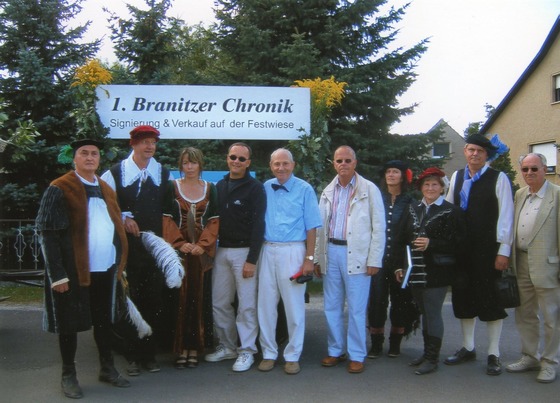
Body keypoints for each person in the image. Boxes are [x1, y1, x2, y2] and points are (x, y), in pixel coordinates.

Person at [37, 139, 130, 399]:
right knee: (69, 323)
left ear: (99, 159)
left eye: (94, 154)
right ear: (74, 159)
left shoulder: (105, 188)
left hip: (105, 268)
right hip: (73, 270)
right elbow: (47, 233)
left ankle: (107, 369)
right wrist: (57, 275)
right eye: (84, 153)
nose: (90, 158)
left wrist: (118, 262)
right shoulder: (60, 187)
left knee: (103, 321)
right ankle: (68, 374)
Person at [101, 125, 172, 376]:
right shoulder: (115, 172)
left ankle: (149, 354)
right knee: (128, 300)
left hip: (152, 248)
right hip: (126, 249)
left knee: (153, 298)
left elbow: (168, 208)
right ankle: (131, 355)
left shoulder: (163, 173)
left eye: (153, 142)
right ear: (133, 144)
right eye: (144, 142)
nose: (150, 146)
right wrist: (122, 217)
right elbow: (103, 204)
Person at [444, 133, 513, 376]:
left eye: (480, 151)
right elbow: (449, 210)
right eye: (471, 149)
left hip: (488, 250)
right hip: (462, 250)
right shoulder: (457, 176)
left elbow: (506, 217)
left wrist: (503, 251)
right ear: (465, 151)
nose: (474, 154)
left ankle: (494, 353)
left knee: (490, 299)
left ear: (486, 155)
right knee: (463, 298)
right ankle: (468, 346)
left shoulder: (498, 178)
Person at [316, 145, 386, 374]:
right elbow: (319, 229)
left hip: (357, 254)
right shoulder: (328, 191)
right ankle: (335, 350)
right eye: (339, 161)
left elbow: (379, 227)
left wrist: (374, 258)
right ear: (333, 164)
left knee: (356, 308)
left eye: (347, 160)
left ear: (355, 163)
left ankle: (357, 354)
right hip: (332, 251)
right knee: (332, 306)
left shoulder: (369, 189)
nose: (343, 164)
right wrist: (317, 257)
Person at [257, 148, 322, 375]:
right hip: (268, 250)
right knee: (265, 306)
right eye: (277, 164)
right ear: (271, 166)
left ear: (293, 165)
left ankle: (293, 355)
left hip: (294, 250)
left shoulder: (304, 189)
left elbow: (312, 226)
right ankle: (268, 353)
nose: (281, 168)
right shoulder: (265, 187)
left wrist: (309, 259)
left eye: (285, 163)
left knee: (294, 308)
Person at [395, 167, 465, 375]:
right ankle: (427, 354)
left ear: (442, 188)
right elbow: (401, 239)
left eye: (435, 184)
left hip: (438, 271)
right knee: (425, 313)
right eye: (426, 184)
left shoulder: (452, 211)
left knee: (433, 313)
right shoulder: (413, 208)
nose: (430, 188)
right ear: (421, 188)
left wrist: (431, 243)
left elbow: (460, 243)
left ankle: (432, 359)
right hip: (415, 270)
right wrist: (399, 265)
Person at [205, 142, 266, 372]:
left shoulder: (255, 188)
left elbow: (259, 225)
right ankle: (227, 346)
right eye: (233, 157)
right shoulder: (219, 186)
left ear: (248, 162)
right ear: (227, 158)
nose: (236, 162)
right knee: (219, 302)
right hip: (221, 251)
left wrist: (252, 259)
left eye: (242, 159)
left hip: (244, 253)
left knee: (247, 305)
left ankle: (247, 350)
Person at [505, 153, 560, 383]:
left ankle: (549, 362)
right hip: (522, 263)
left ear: (544, 169)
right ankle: (530, 356)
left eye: (534, 169)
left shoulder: (557, 195)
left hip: (548, 266)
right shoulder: (520, 194)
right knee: (525, 314)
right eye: (525, 169)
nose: (529, 173)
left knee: (551, 318)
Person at [170, 147, 219, 369]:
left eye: (193, 163)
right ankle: (180, 348)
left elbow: (214, 220)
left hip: (200, 254)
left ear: (200, 165)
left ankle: (194, 348)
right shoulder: (173, 188)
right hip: (179, 253)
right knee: (179, 300)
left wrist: (203, 245)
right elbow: (167, 220)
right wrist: (180, 244)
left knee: (197, 300)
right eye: (185, 163)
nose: (189, 167)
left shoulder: (210, 189)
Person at [367, 160, 418, 358]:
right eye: (388, 171)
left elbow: (411, 236)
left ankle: (395, 343)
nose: (391, 175)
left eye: (395, 171)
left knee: (400, 301)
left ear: (403, 176)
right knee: (377, 300)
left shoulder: (410, 202)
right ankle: (376, 343)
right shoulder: (376, 199)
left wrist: (404, 265)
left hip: (400, 260)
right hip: (377, 260)